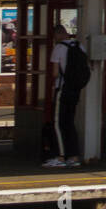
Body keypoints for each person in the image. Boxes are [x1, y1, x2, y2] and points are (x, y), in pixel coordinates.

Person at [43, 25, 88, 168]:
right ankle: (73, 157)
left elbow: (56, 73)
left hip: (62, 89)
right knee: (69, 122)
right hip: (75, 90)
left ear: (58, 34)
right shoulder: (80, 46)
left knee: (58, 123)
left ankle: (60, 157)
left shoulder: (58, 48)